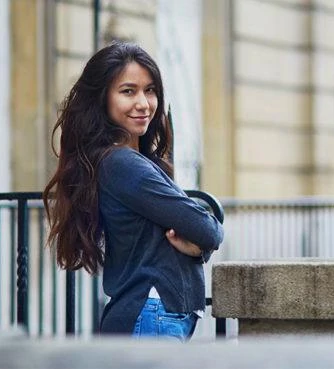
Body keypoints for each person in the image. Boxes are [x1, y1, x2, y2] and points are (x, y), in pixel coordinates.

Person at [43, 41, 223, 340]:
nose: (143, 103)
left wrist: (200, 246)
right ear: (103, 99)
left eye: (150, 90)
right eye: (128, 91)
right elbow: (208, 228)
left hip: (152, 316)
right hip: (149, 315)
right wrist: (203, 242)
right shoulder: (122, 164)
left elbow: (195, 230)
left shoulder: (129, 161)